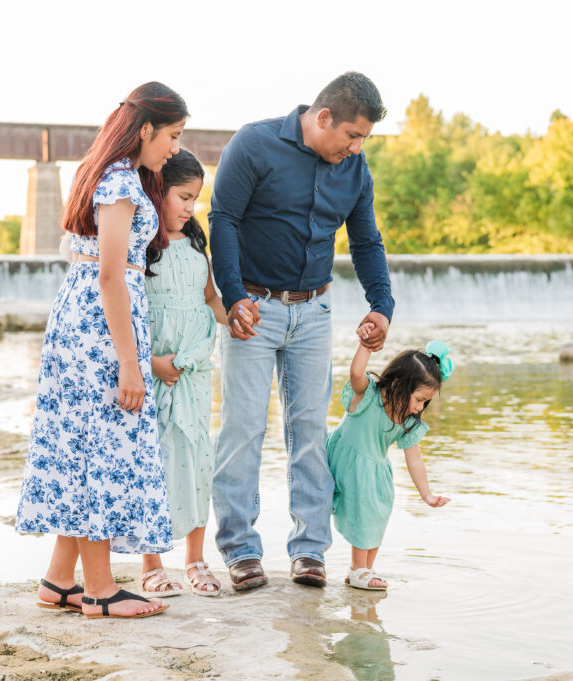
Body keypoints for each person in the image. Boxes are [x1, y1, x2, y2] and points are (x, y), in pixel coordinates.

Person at [209, 72, 394, 591]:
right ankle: (241, 549)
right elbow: (222, 219)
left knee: (310, 431)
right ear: (323, 117)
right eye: (352, 135)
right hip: (254, 308)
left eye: (364, 140)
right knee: (243, 429)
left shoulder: (354, 169)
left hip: (314, 312)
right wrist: (232, 296)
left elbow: (366, 241)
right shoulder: (254, 143)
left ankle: (309, 551)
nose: (356, 148)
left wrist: (381, 305)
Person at [15, 82, 188, 619]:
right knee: (101, 446)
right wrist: (131, 364)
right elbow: (112, 274)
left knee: (82, 440)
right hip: (100, 324)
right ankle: (99, 590)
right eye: (173, 136)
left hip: (89, 319)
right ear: (145, 131)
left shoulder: (117, 177)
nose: (176, 149)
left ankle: (60, 580)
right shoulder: (119, 182)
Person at [138, 149, 231, 597]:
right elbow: (130, 311)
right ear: (157, 190)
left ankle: (195, 559)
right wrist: (152, 364)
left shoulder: (197, 243)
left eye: (195, 199)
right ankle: (152, 563)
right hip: (154, 371)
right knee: (153, 460)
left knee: (196, 460)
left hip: (193, 372)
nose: (189, 208)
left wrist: (233, 314)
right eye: (182, 196)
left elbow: (210, 299)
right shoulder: (141, 247)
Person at [328, 333, 452, 590]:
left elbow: (415, 461)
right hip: (345, 458)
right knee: (364, 504)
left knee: (380, 505)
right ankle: (359, 567)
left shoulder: (407, 422)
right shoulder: (368, 395)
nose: (419, 408)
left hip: (374, 468)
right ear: (398, 384)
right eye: (419, 399)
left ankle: (363, 569)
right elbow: (355, 371)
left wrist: (426, 495)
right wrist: (365, 345)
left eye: (425, 402)